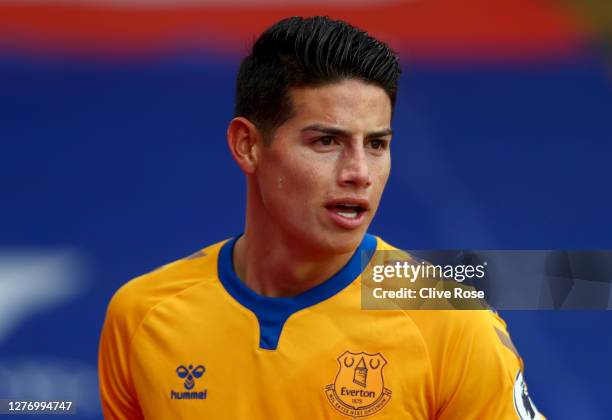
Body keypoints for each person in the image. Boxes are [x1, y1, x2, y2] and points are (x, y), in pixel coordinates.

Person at [98, 16, 542, 419]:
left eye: (376, 145)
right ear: (247, 146)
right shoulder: (142, 317)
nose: (359, 174)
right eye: (326, 142)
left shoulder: (452, 326)